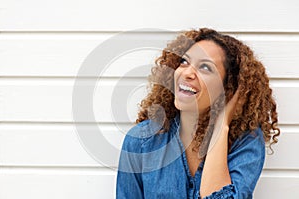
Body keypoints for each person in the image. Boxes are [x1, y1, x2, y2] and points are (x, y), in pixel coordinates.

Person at [116, 28, 280, 199]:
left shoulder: (246, 141)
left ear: (228, 87)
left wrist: (221, 128)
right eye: (184, 62)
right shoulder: (142, 141)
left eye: (205, 67)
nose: (187, 73)